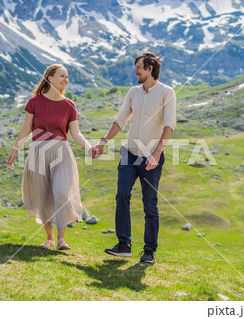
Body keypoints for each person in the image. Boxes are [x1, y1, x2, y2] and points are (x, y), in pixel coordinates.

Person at [92, 52, 176, 264]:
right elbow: (120, 120)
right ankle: (124, 244)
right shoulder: (133, 92)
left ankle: (148, 251)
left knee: (150, 204)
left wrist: (157, 153)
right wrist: (103, 141)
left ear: (150, 69)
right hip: (129, 152)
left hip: (151, 157)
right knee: (122, 195)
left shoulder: (167, 93)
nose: (135, 71)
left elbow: (169, 126)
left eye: (139, 67)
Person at [7, 64, 94, 250]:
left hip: (61, 152)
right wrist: (15, 148)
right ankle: (50, 239)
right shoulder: (35, 102)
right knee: (44, 195)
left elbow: (76, 134)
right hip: (38, 152)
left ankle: (62, 239)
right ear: (50, 78)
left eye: (67, 76)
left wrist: (88, 147)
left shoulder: (70, 105)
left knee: (61, 191)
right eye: (62, 76)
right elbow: (26, 129)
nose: (66, 80)